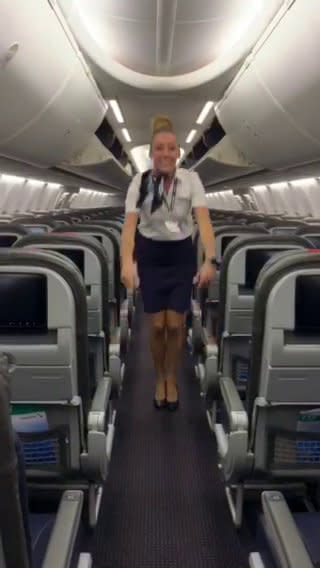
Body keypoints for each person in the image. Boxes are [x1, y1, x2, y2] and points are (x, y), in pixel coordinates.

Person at [121, 116, 216, 411]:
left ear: (178, 153)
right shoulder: (140, 182)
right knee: (157, 325)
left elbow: (204, 222)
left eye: (171, 148)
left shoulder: (191, 180)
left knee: (175, 325)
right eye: (159, 148)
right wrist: (127, 262)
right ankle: (159, 376)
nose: (165, 153)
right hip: (150, 254)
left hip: (180, 256)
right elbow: (129, 226)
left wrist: (210, 260)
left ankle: (171, 375)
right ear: (152, 152)